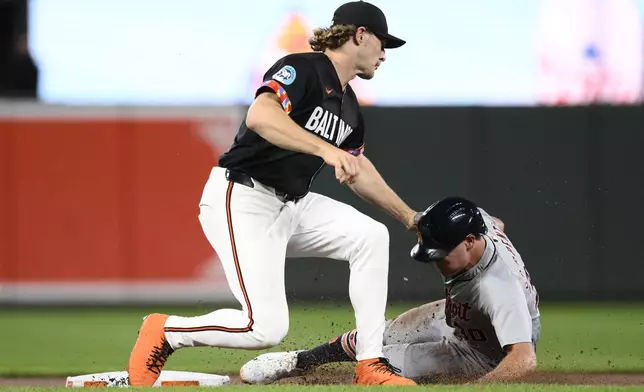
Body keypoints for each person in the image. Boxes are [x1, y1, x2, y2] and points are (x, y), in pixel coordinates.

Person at [127, 1, 418, 387]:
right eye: (382, 43)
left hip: (293, 205)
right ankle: (166, 332)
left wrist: (410, 217)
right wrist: (325, 150)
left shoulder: (350, 106)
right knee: (263, 329)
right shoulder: (305, 68)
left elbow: (358, 169)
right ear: (360, 34)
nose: (384, 54)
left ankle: (370, 363)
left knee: (370, 236)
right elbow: (260, 117)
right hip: (243, 195)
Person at [239, 197, 541, 385]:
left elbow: (524, 360)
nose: (437, 263)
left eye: (442, 254)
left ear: (471, 241)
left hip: (479, 352)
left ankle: (309, 373)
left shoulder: (498, 289)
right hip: (461, 315)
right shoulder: (481, 224)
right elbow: (496, 223)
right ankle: (298, 360)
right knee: (376, 334)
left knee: (381, 362)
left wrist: (476, 387)